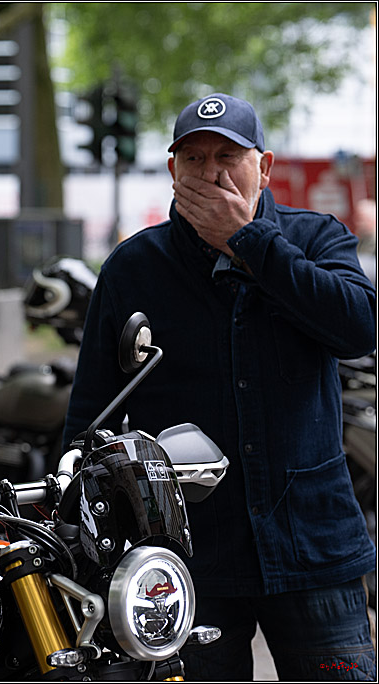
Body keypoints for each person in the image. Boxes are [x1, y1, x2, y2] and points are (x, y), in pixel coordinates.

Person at [62, 93, 377, 681]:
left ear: (264, 167)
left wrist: (249, 241)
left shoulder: (315, 238)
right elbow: (90, 415)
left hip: (313, 546)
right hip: (188, 563)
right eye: (195, 159)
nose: (211, 174)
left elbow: (359, 330)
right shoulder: (133, 267)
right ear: (172, 171)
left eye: (228, 157)